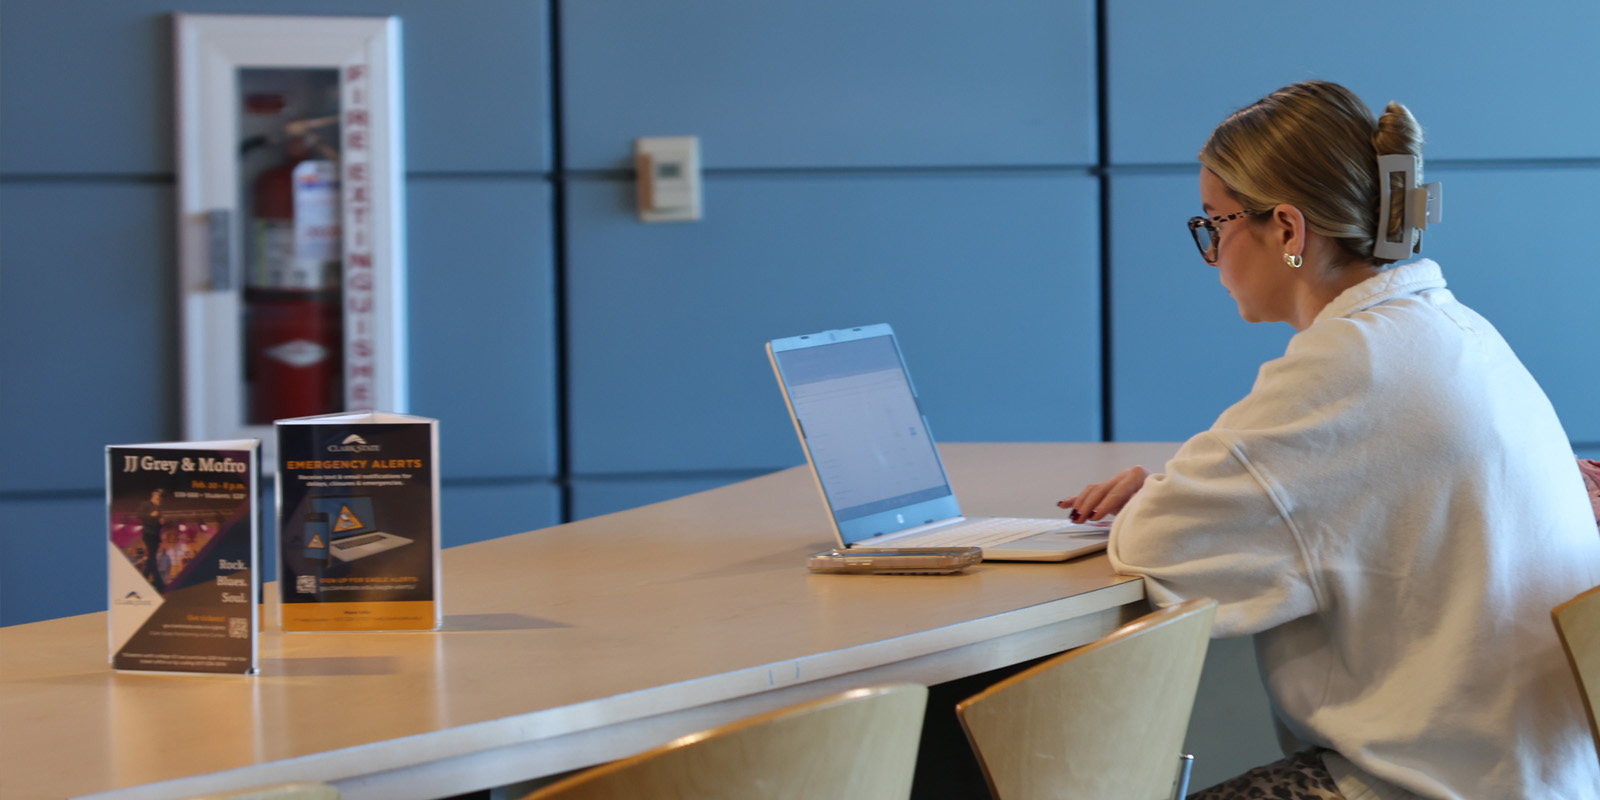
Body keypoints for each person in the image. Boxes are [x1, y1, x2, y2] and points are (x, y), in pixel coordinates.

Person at [1061, 81, 1600, 799]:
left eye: (1214, 224)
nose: (1213, 251)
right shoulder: (1451, 329)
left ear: (1286, 230)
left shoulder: (1347, 365)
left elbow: (1156, 551)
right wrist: (1186, 494)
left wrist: (1160, 498)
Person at [136, 488, 167, 593]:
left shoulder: (158, 509)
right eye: (157, 495)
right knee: (152, 559)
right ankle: (160, 585)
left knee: (151, 559)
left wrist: (161, 523)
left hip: (155, 535)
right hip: (149, 533)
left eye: (160, 496)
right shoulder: (146, 504)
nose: (159, 498)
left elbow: (158, 525)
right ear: (153, 495)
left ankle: (143, 581)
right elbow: (139, 515)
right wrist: (150, 515)